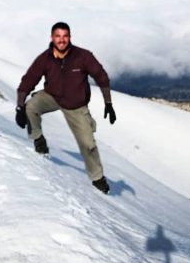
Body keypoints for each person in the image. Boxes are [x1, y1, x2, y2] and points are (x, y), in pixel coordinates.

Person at [16, 22, 117, 194]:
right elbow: (28, 80)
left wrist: (108, 104)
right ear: (52, 38)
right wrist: (20, 107)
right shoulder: (45, 58)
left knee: (88, 144)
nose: (61, 40)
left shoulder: (82, 56)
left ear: (69, 37)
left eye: (65, 36)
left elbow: (101, 77)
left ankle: (97, 178)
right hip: (52, 96)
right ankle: (38, 139)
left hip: (75, 105)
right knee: (31, 106)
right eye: (58, 36)